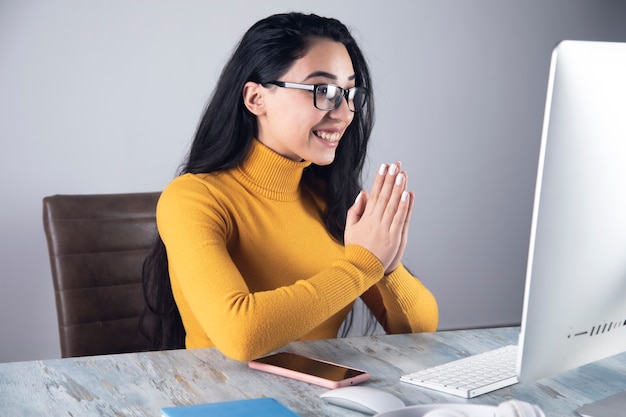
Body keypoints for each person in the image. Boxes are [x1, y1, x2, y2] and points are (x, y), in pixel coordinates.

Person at [141, 12, 438, 362]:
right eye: (323, 90)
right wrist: (362, 265)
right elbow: (242, 335)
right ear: (255, 99)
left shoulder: (334, 201)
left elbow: (419, 331)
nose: (344, 113)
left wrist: (386, 266)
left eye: (350, 94)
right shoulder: (192, 199)